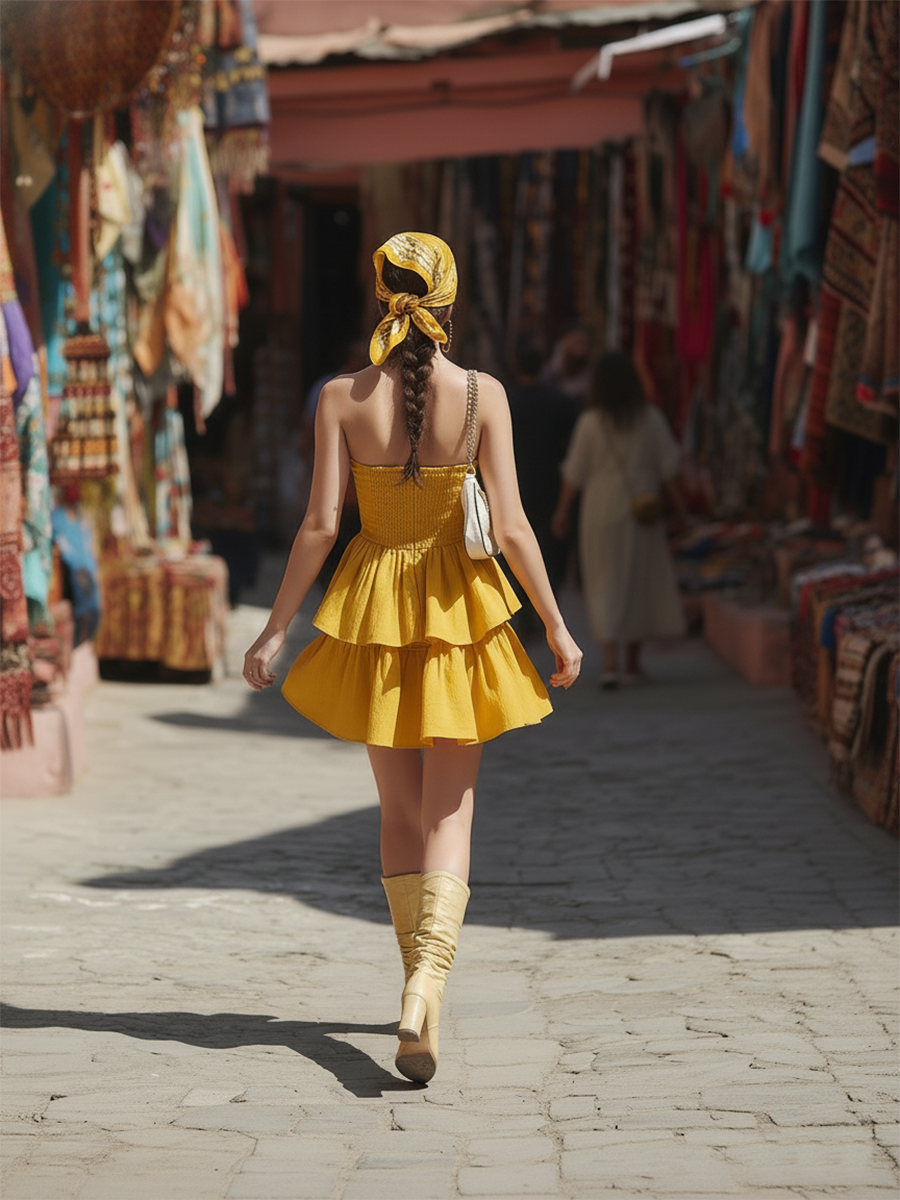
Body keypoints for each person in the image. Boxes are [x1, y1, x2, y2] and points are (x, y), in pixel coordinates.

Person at [243, 232, 582, 1084]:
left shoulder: (339, 397)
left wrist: (276, 630)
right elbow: (510, 527)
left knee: (397, 812)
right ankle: (426, 986)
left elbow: (321, 526)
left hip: (373, 609)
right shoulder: (483, 396)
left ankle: (411, 983)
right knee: (450, 818)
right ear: (449, 305)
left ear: (382, 296)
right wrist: (557, 626)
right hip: (460, 613)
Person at [551, 350, 686, 688]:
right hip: (643, 508)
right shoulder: (651, 419)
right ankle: (632, 662)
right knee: (639, 582)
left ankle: (610, 662)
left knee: (603, 582)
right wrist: (683, 510)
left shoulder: (590, 423)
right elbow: (670, 470)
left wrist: (562, 511)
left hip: (599, 510)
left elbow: (574, 475)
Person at [507, 343, 580, 639]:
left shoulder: (505, 401)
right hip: (550, 487)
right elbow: (571, 447)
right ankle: (548, 613)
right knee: (550, 553)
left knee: (514, 553)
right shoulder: (559, 401)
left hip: (513, 485)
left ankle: (525, 614)